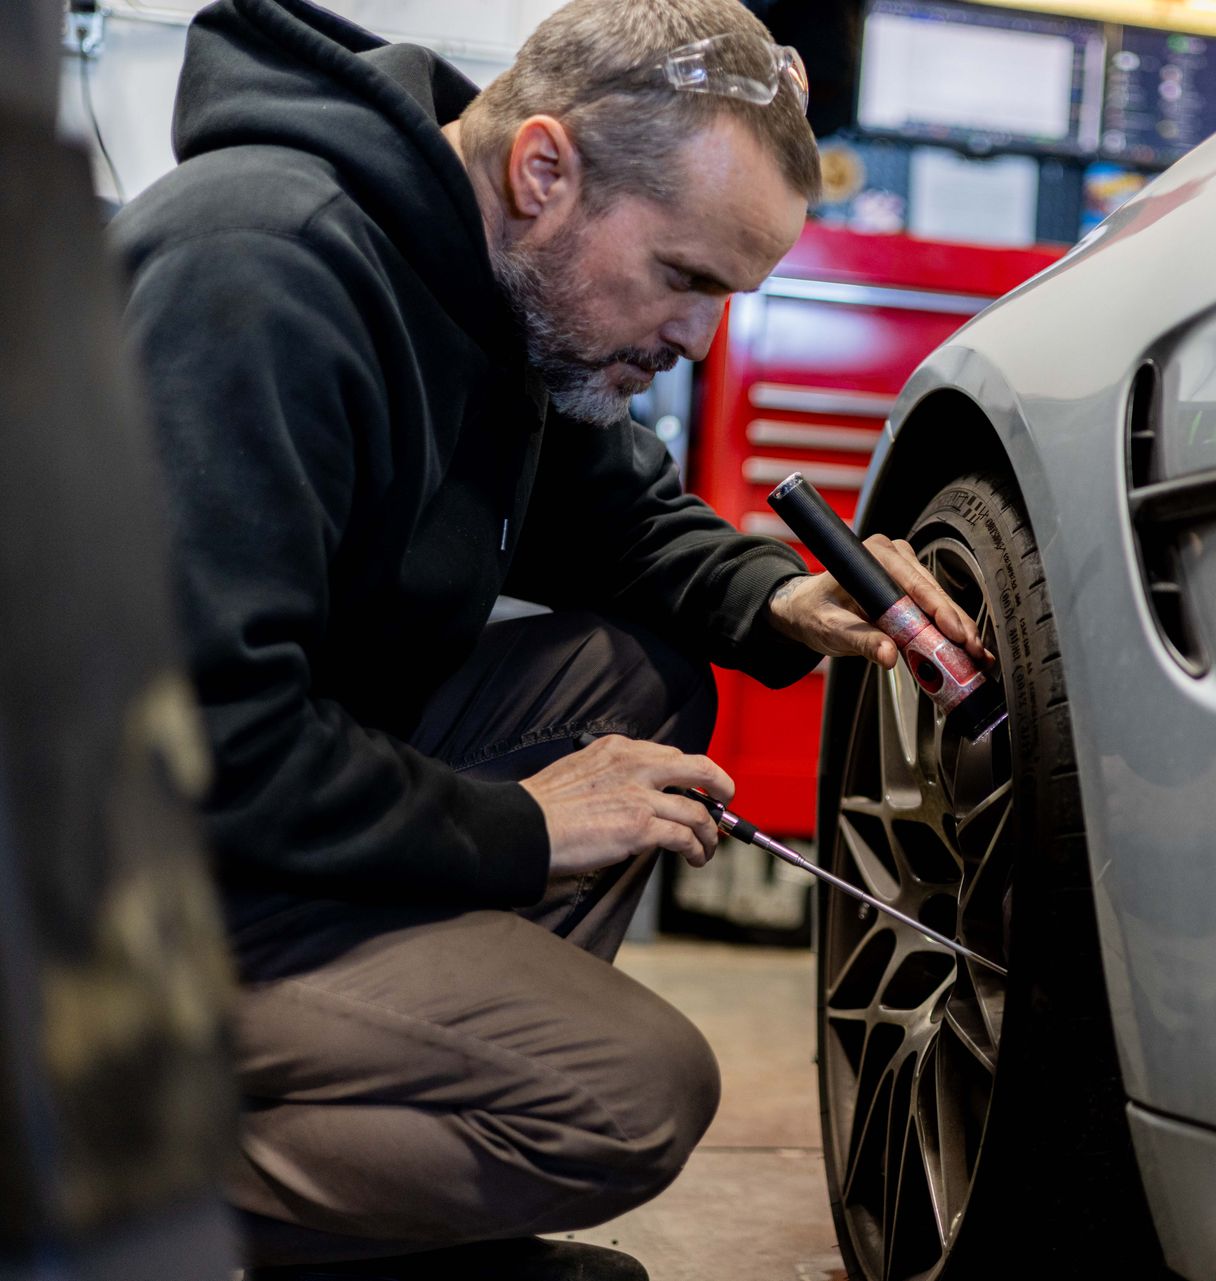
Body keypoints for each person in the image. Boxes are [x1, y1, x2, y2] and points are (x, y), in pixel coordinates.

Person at [110, 0, 988, 1276]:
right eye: (687, 278)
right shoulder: (260, 273)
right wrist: (525, 824)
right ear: (544, 169)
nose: (701, 337)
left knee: (631, 683)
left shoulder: (499, 285)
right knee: (631, 1091)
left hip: (241, 817)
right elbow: (196, 739)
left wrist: (783, 599)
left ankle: (387, 1161)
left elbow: (621, 517)